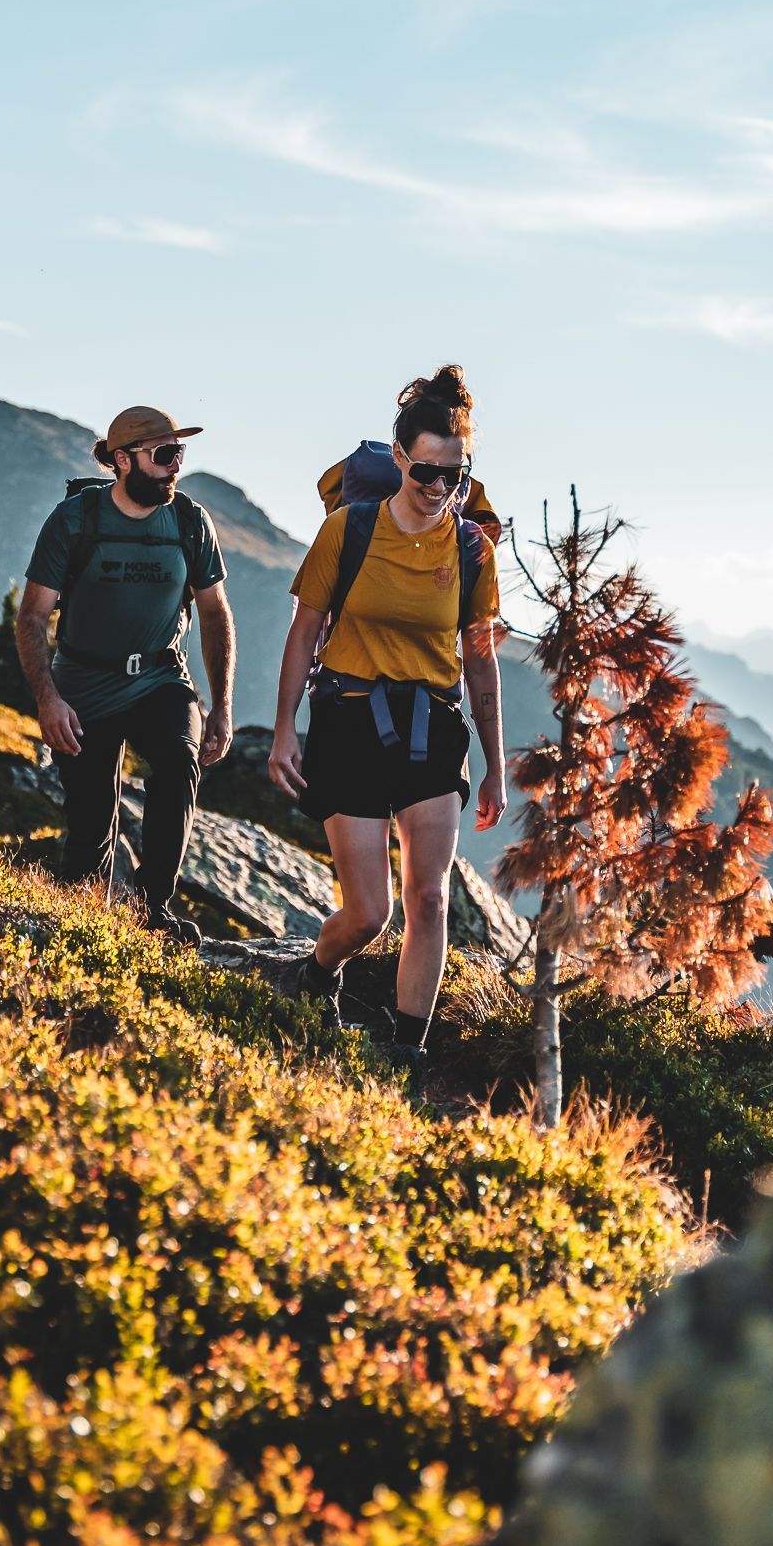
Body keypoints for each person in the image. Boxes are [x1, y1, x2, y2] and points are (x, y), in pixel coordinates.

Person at [266, 366, 505, 1084]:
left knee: (429, 899)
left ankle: (409, 1048)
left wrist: (494, 764)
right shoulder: (351, 530)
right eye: (428, 472)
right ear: (401, 459)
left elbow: (482, 664)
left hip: (433, 725)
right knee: (369, 912)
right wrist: (284, 731)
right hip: (347, 719)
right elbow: (303, 631)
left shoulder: (471, 550)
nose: (439, 490)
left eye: (454, 478)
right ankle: (318, 970)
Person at [14, 404, 235, 942]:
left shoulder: (188, 520)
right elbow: (32, 616)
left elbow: (214, 613)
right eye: (163, 455)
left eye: (178, 454)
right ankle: (76, 928)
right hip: (84, 685)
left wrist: (222, 706)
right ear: (122, 459)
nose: (173, 467)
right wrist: (48, 700)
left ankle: (152, 908)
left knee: (180, 764)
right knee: (90, 830)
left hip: (161, 678)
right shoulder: (75, 520)